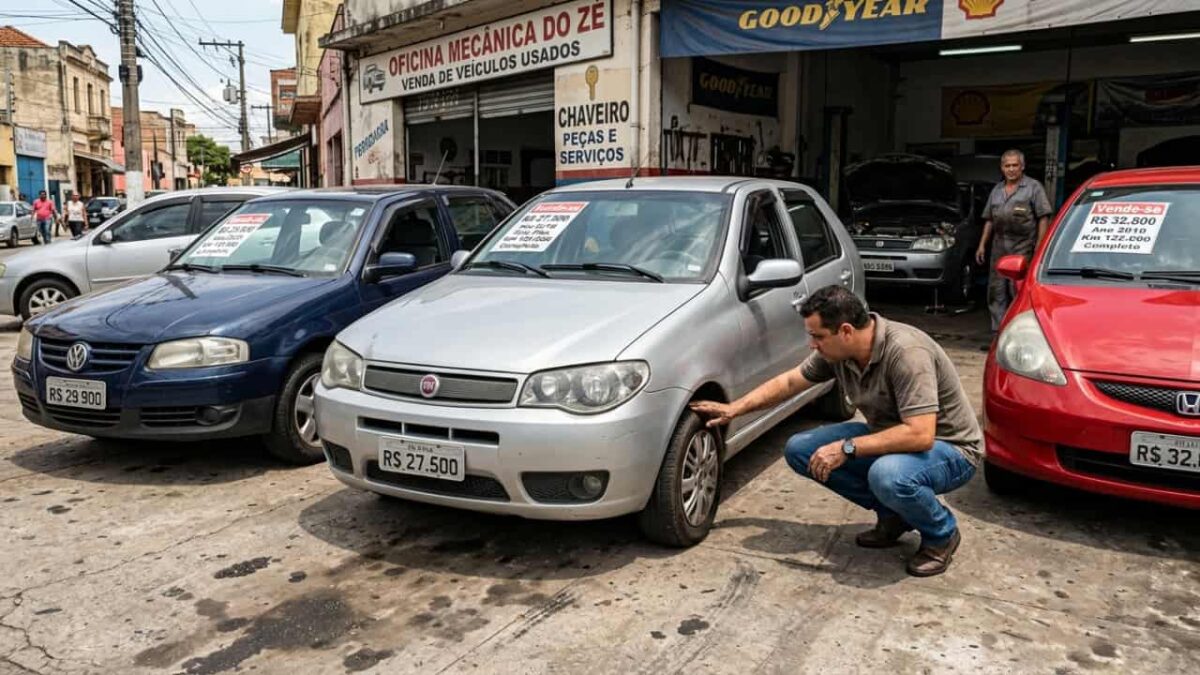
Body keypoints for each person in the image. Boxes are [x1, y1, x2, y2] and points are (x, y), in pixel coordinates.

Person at [690, 285, 982, 577]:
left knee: (888, 475)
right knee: (801, 449)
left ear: (845, 331)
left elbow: (920, 434)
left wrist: (847, 447)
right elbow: (792, 382)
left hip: (950, 449)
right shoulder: (839, 353)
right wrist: (734, 409)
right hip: (892, 437)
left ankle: (941, 534)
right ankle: (894, 515)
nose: (812, 345)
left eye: (818, 336)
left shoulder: (906, 353)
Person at [975, 150, 1053, 339]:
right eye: (1007, 166)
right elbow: (989, 220)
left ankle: (1018, 334)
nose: (1011, 169)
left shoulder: (1033, 188)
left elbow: (1043, 217)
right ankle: (998, 333)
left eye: (1014, 165)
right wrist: (981, 245)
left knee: (1017, 290)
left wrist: (1039, 247)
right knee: (996, 290)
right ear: (1002, 168)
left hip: (1023, 247)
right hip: (999, 246)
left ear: (1022, 167)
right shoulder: (997, 190)